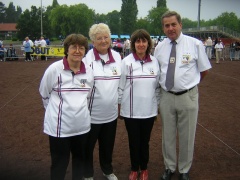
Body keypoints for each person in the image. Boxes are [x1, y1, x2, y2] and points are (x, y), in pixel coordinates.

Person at [154, 11, 212, 180]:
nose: (170, 28)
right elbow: (159, 73)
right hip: (166, 96)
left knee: (187, 135)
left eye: (173, 24)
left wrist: (188, 85)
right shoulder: (159, 47)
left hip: (188, 96)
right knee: (168, 135)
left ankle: (184, 169)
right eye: (167, 25)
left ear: (180, 25)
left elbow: (204, 71)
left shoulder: (195, 44)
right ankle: (169, 167)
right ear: (163, 28)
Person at [39, 34, 94, 180]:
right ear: (67, 49)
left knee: (79, 161)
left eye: (81, 48)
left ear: (85, 51)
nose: (77, 51)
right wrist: (55, 112)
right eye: (73, 47)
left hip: (81, 127)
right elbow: (44, 94)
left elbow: (87, 97)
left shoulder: (89, 71)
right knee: (59, 164)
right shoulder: (54, 69)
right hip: (59, 129)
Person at [118, 29, 160, 180]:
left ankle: (145, 168)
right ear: (133, 44)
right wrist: (120, 108)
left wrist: (157, 108)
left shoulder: (155, 62)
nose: (141, 44)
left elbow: (157, 88)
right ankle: (134, 168)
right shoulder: (126, 62)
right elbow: (121, 87)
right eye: (138, 41)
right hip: (131, 111)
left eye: (144, 41)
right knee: (133, 142)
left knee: (145, 142)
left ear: (148, 43)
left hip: (149, 111)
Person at [83, 23, 121, 180]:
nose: (103, 41)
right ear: (93, 40)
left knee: (107, 146)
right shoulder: (86, 60)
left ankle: (107, 170)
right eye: (99, 38)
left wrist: (118, 104)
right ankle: (87, 174)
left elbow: (121, 85)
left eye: (106, 37)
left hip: (111, 115)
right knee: (87, 147)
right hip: (91, 115)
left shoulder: (118, 57)